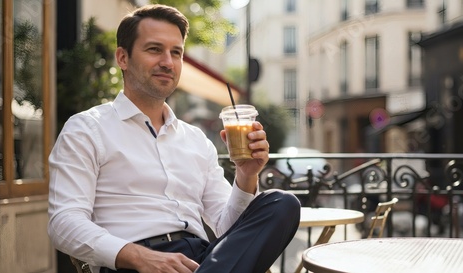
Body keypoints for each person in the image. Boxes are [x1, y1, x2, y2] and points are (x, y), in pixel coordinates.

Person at [48, 4, 300, 273]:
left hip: (201, 262)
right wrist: (137, 256)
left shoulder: (196, 140)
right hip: (133, 263)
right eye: (154, 49)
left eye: (176, 52)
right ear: (123, 58)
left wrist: (246, 175)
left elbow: (229, 228)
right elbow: (63, 222)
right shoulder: (87, 129)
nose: (168, 62)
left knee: (281, 204)